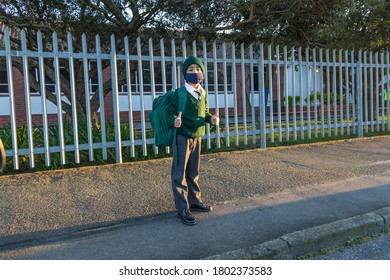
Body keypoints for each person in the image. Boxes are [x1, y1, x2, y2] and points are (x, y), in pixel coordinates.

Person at [167, 56, 219, 226]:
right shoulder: (179, 94)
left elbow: (204, 112)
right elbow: (169, 113)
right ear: (184, 73)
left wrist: (211, 119)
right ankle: (182, 208)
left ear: (202, 72)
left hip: (197, 136)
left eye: (198, 69)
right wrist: (173, 120)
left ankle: (194, 200)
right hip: (182, 137)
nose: (195, 72)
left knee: (193, 171)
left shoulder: (202, 92)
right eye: (191, 70)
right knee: (179, 173)